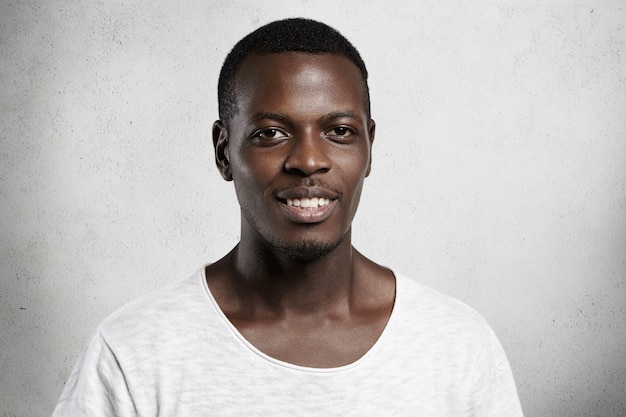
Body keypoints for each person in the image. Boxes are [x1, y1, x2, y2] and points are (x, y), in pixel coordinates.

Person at [53, 18, 524, 416]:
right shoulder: (133, 354)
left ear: (369, 148)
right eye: (272, 133)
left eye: (339, 131)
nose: (309, 160)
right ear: (223, 152)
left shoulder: (458, 348)